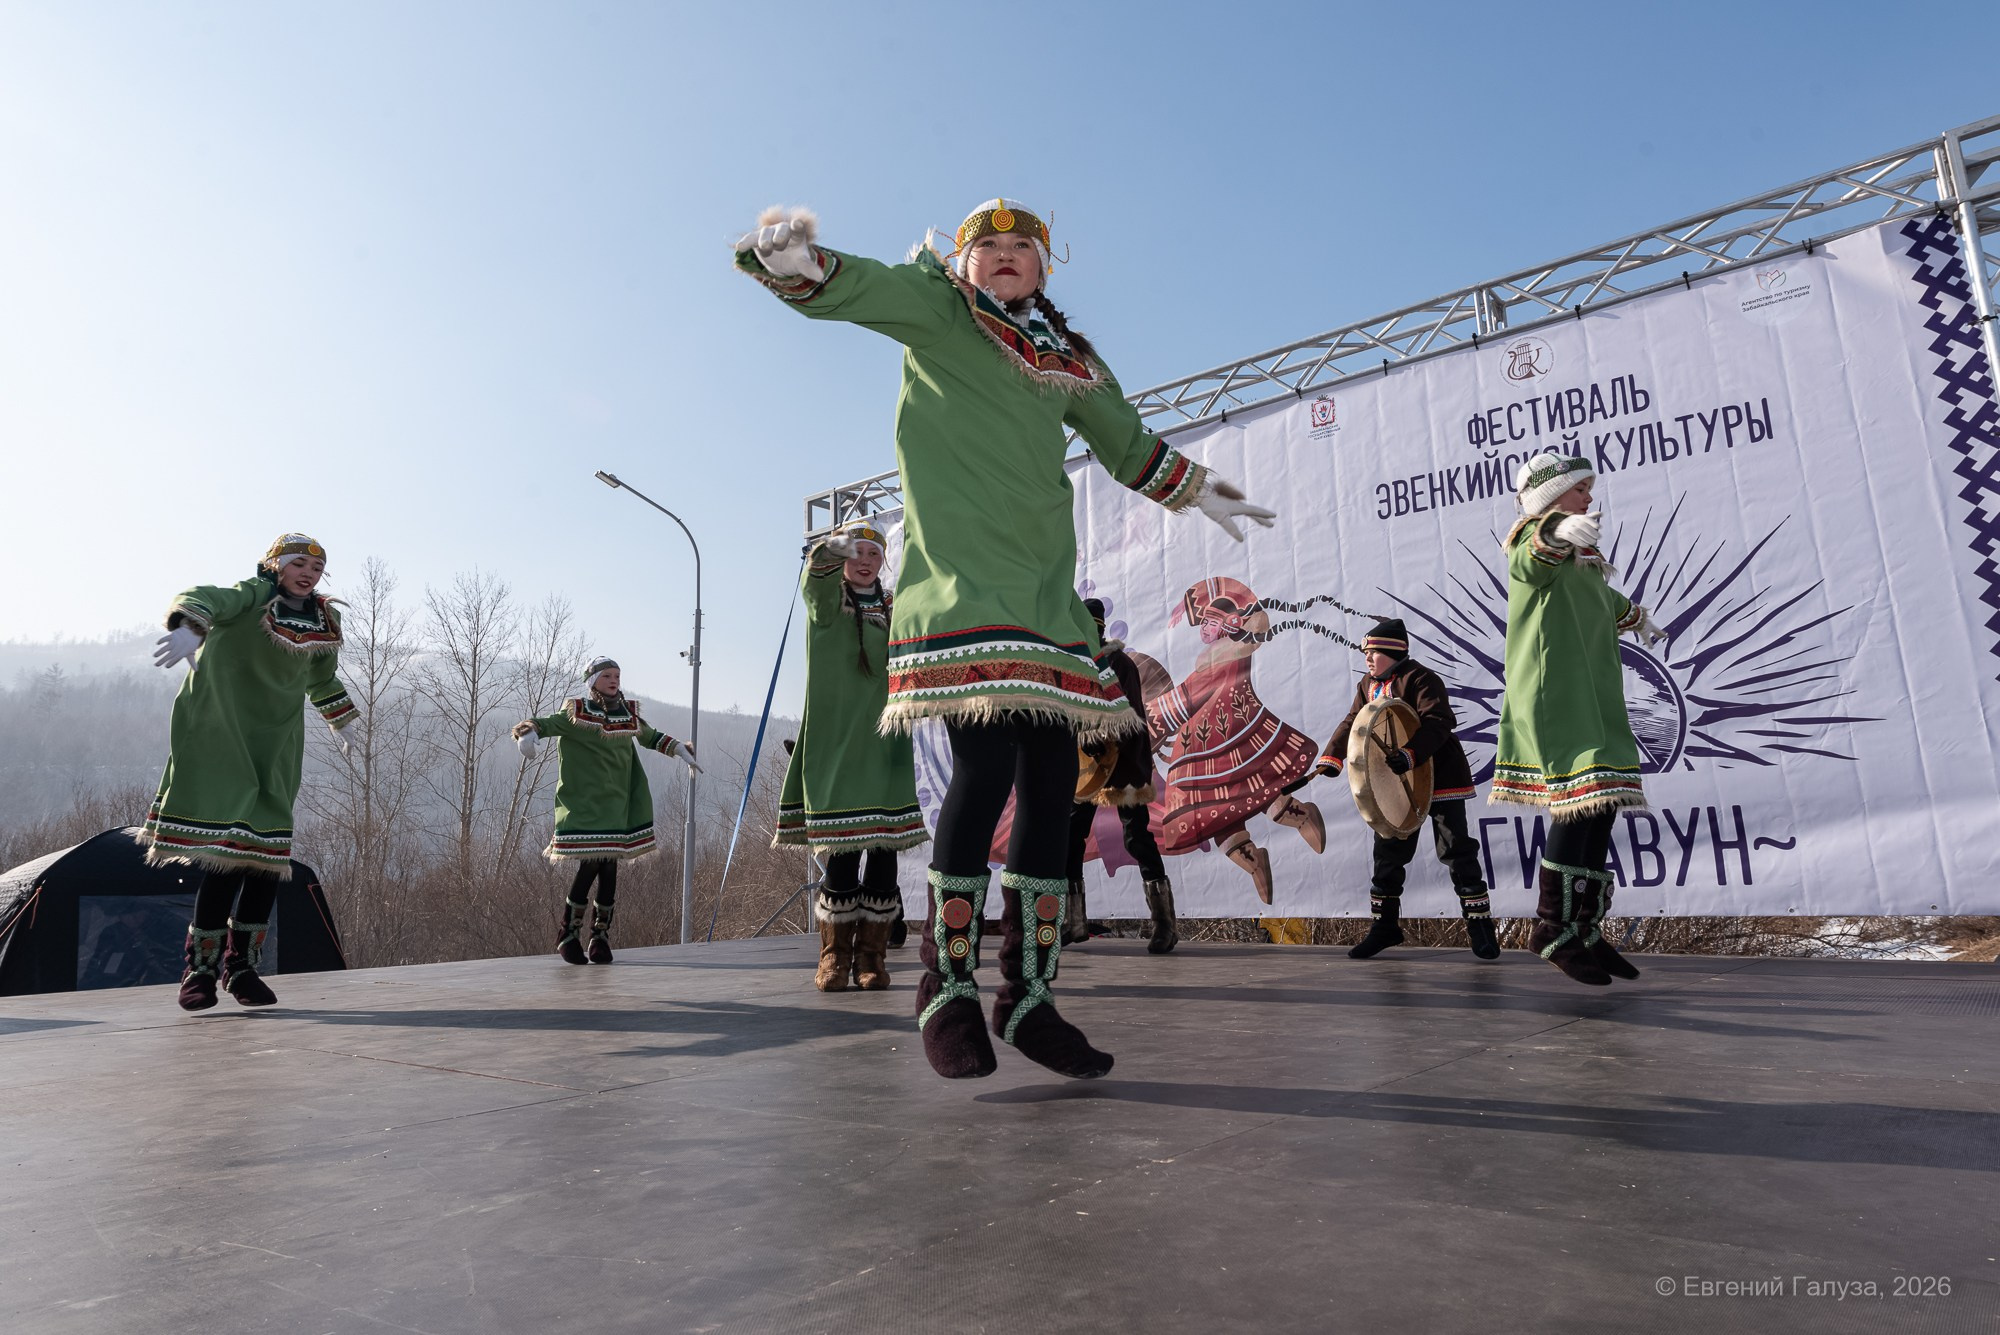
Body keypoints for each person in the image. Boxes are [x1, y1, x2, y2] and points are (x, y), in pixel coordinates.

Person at [737, 199, 1276, 1079]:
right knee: (986, 772)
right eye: (988, 246)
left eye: (1024, 246)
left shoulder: (1067, 357)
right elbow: (859, 290)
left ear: (1045, 267)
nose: (1007, 256)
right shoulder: (939, 309)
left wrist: (1199, 490)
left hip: (1044, 603)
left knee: (1056, 783)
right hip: (964, 594)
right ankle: (945, 987)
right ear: (963, 263)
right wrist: (803, 265)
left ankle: (1027, 993)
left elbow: (1126, 442)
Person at [144, 533, 358, 1011]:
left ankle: (241, 969)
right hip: (227, 734)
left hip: (279, 743)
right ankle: (199, 971)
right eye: (299, 563)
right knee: (228, 854)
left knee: (266, 860)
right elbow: (201, 598)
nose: (308, 573)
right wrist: (190, 628)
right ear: (275, 565)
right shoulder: (250, 596)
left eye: (317, 568)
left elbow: (321, 677)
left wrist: (341, 720)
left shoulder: (325, 619)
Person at [1491, 452, 1663, 986]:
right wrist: (1558, 529)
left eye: (1589, 489)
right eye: (1580, 489)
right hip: (1555, 696)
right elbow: (1530, 560)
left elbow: (1596, 595)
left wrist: (1633, 615)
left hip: (1592, 694)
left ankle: (1583, 930)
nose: (1590, 497)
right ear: (1551, 498)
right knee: (1576, 804)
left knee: (1600, 806)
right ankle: (1551, 929)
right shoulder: (1531, 541)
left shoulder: (1582, 559)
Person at [774, 522, 928, 992]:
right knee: (842, 857)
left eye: (874, 555)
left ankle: (872, 958)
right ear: (843, 558)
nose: (865, 562)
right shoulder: (828, 604)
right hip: (838, 745)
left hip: (886, 744)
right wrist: (826, 551)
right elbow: (814, 579)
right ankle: (833, 958)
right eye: (857, 553)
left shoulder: (895, 608)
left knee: (883, 856)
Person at [1311, 618, 1497, 961]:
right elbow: (1354, 722)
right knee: (1388, 852)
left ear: (1394, 652)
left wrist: (1410, 755)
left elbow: (1439, 722)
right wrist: (1332, 757)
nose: (1368, 658)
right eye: (1366, 652)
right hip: (1396, 783)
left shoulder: (1421, 678)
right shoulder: (1368, 684)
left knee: (1455, 849)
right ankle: (1385, 928)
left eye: (1374, 651)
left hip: (1440, 775)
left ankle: (1481, 929)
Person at [1152, 577, 1326, 905]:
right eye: (1203, 622)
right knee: (1214, 813)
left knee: (1258, 787)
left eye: (1212, 622)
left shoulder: (1229, 654)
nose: (1205, 628)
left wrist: (1149, 721)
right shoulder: (1211, 657)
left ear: (1230, 624)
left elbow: (1188, 696)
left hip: (1233, 735)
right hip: (1199, 749)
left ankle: (1299, 815)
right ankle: (1253, 860)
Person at [513, 658, 698, 965]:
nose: (614, 680)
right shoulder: (576, 712)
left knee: (609, 867)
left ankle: (599, 936)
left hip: (618, 801)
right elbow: (545, 724)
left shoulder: (628, 714)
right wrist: (527, 733)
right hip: (586, 803)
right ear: (593, 680)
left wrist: (679, 749)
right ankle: (568, 933)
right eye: (607, 675)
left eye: (617, 675)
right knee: (591, 864)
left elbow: (650, 737)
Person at [1064, 598, 1178, 953]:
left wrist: (1101, 738)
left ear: (1096, 628)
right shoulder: (1074, 663)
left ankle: (1165, 925)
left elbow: (1126, 714)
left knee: (1136, 839)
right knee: (1070, 840)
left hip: (1124, 760)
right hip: (1087, 768)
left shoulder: (1118, 663)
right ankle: (1075, 922)